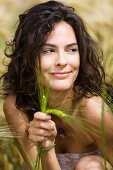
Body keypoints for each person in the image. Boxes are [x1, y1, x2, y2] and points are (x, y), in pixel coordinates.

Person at [1, 0, 113, 169]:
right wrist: (46, 147)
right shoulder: (17, 106)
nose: (62, 61)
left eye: (71, 49)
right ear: (28, 58)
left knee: (90, 166)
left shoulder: (93, 110)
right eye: (48, 50)